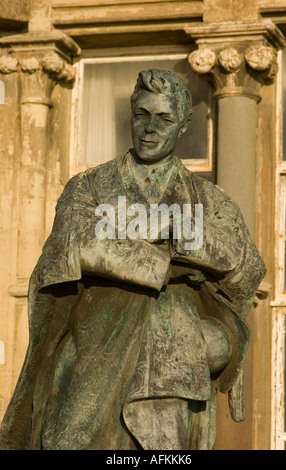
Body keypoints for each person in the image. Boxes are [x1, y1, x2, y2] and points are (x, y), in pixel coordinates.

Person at [0, 69, 266, 450]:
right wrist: (170, 247)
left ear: (183, 126)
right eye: (141, 114)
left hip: (171, 363)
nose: (149, 128)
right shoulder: (88, 186)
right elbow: (72, 247)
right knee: (63, 439)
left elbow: (243, 264)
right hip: (94, 348)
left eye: (164, 119)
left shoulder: (211, 200)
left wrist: (130, 237)